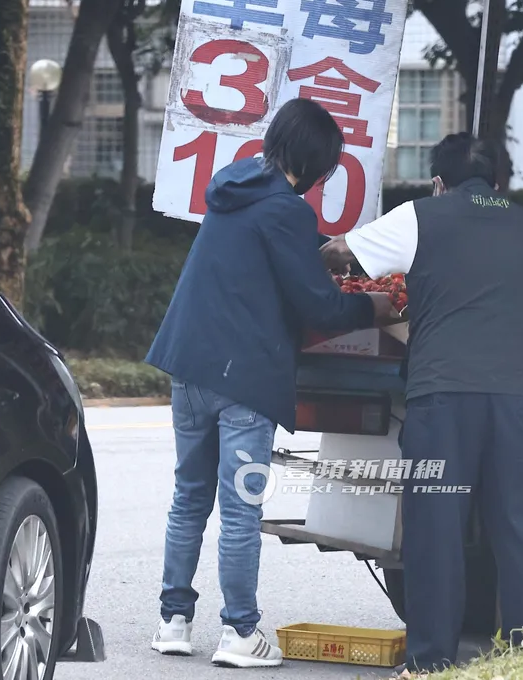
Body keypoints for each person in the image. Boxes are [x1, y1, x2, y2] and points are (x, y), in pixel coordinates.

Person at [145, 98, 398, 668]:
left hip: (189, 364)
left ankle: (174, 620)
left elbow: (261, 263)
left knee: (189, 498)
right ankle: (240, 633)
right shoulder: (286, 210)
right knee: (239, 507)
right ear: (315, 162)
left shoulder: (234, 188)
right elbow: (319, 306)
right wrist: (376, 308)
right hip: (244, 376)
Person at [321, 133, 523, 676]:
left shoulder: (423, 214)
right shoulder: (522, 223)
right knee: (519, 530)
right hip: (519, 397)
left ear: (438, 181)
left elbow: (339, 254)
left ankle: (431, 663)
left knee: (436, 530)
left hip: (445, 397)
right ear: (496, 181)